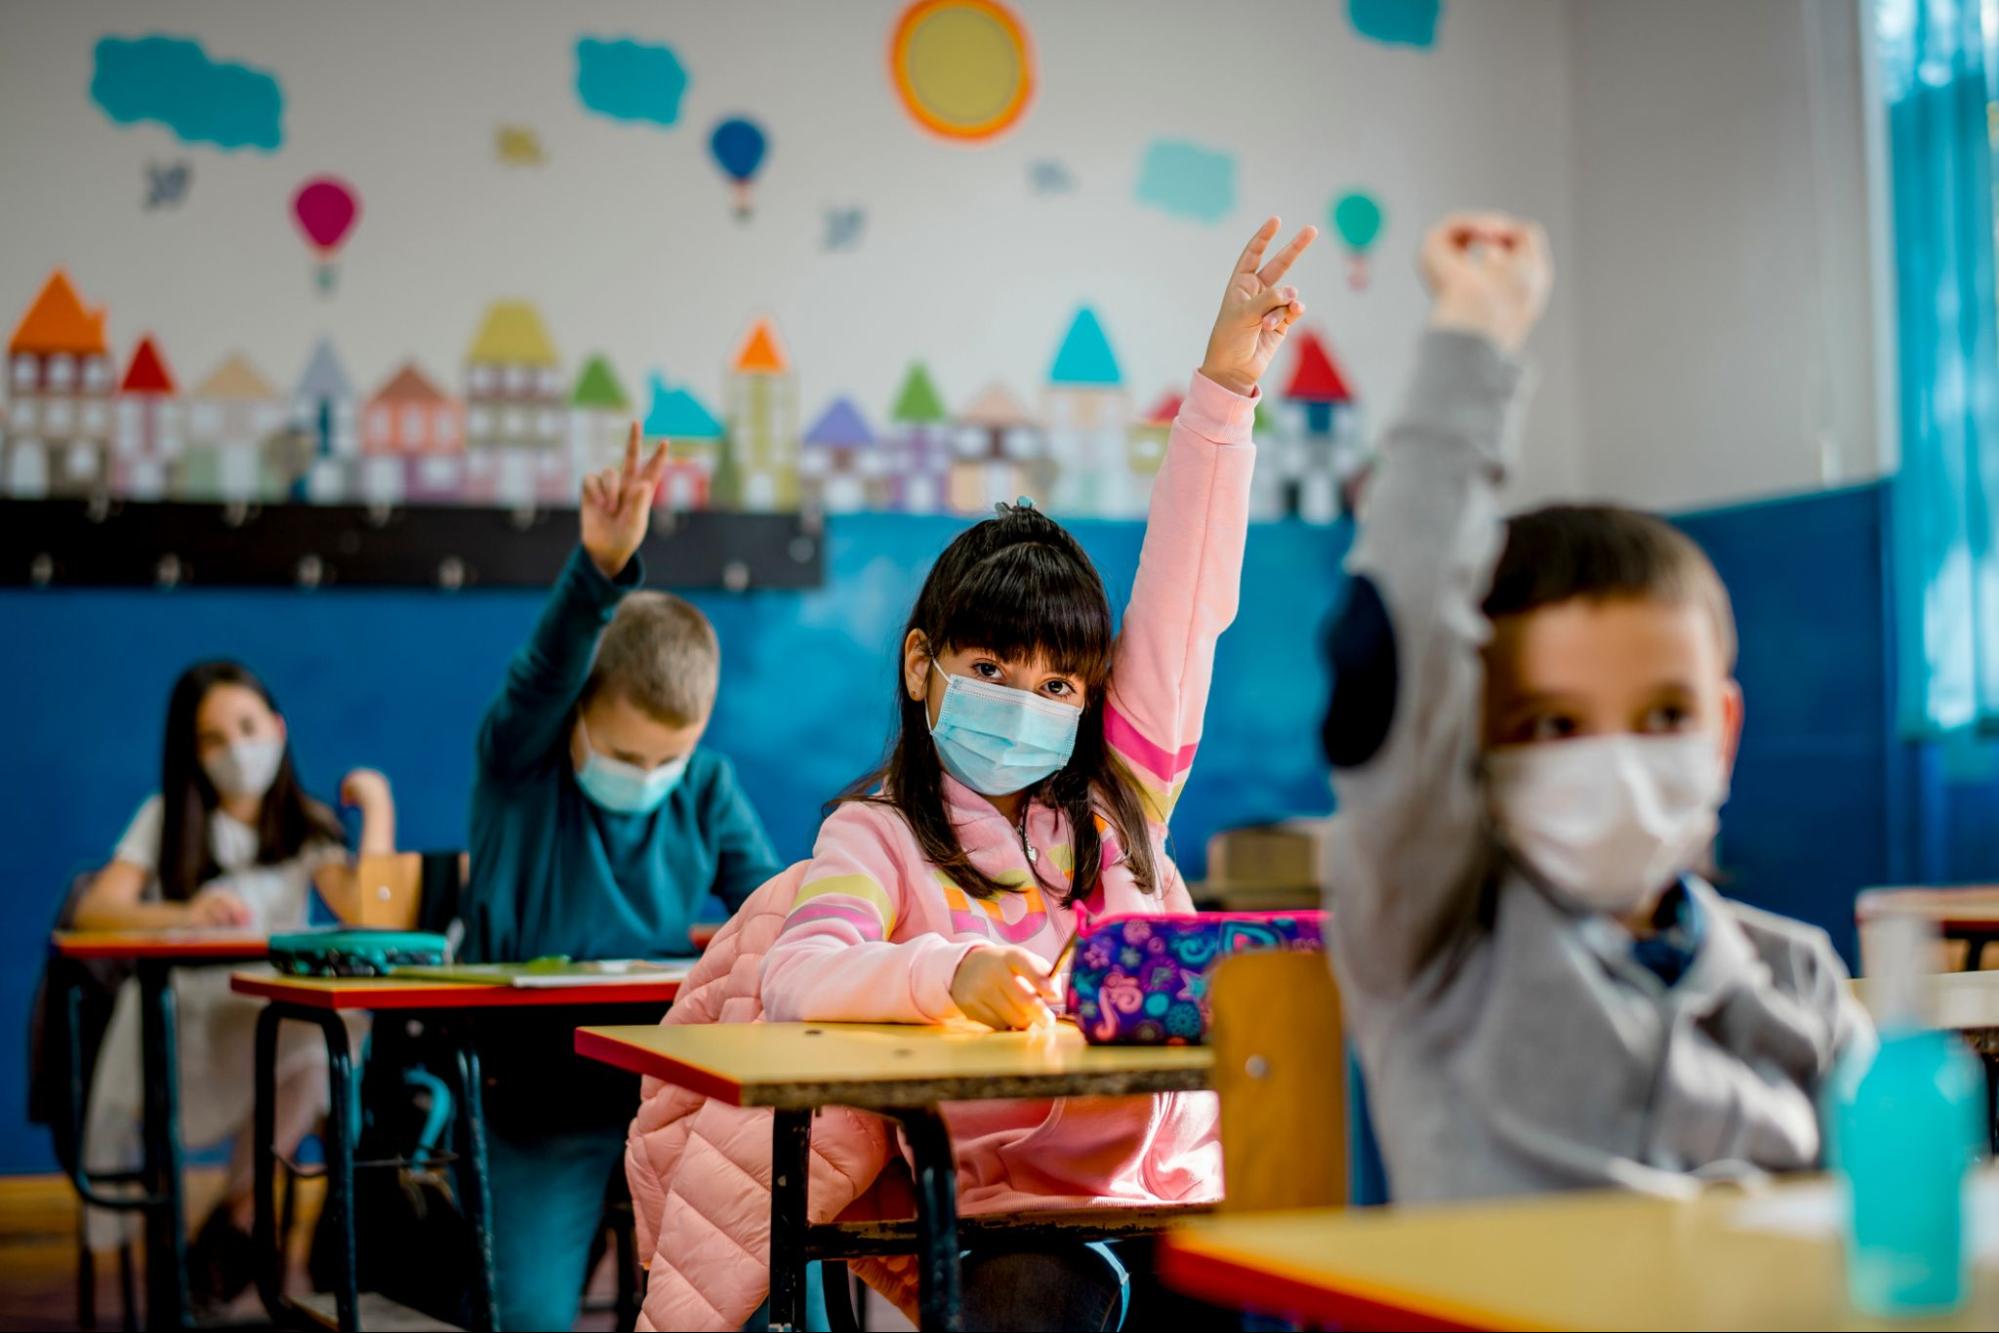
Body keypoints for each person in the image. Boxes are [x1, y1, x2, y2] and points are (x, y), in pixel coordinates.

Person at [754, 217, 1316, 1331]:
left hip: (1172, 1191)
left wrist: (1223, 391)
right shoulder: (875, 839)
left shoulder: (1117, 801)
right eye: (990, 666)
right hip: (1006, 1216)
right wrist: (942, 975)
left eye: (1060, 683)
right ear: (922, 666)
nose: (1027, 699)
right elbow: (798, 977)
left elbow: (1184, 604)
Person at [1320, 211, 1874, 1203]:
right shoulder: (1437, 941)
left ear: (1725, 732)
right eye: (1551, 724)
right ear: (1468, 745)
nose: (1615, 758)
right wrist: (1475, 335)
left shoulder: (1800, 983)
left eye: (1664, 715)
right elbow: (1395, 639)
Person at [464, 430, 782, 1331]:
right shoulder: (520, 766)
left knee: (745, 1290)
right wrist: (600, 569)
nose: (646, 775)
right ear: (578, 715)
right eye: (622, 750)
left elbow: (767, 904)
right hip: (535, 1098)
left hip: (672, 1093)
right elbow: (539, 675)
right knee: (524, 1316)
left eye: (666, 758)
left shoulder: (707, 786)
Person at [74, 659, 393, 1307]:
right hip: (185, 1019)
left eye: (246, 727)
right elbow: (95, 908)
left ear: (277, 728)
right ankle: (243, 1223)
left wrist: (379, 805)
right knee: (309, 1039)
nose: (236, 750)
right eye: (212, 738)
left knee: (325, 1037)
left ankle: (238, 1211)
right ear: (192, 752)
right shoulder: (164, 816)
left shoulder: (304, 824)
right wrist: (182, 913)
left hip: (269, 1017)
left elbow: (368, 910)